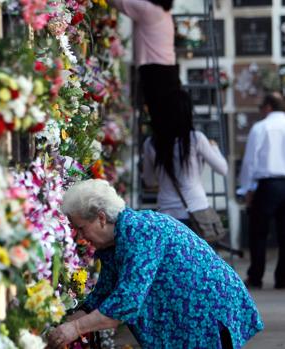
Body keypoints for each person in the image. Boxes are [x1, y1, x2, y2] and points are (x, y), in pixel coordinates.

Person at [47, 179, 263, 348]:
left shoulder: (141, 231)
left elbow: (127, 302)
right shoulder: (115, 242)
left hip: (207, 311)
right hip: (188, 316)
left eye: (81, 228)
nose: (80, 238)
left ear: (101, 218)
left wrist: (75, 328)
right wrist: (66, 326)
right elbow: (105, 293)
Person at [142, 89, 228, 226]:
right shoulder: (195, 138)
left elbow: (150, 181)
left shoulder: (150, 144)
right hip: (196, 210)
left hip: (167, 214)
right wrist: (214, 148)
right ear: (187, 112)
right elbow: (222, 169)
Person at [237, 92, 285, 289]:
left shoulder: (261, 127)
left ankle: (256, 276)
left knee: (258, 233)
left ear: (268, 107)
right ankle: (283, 278)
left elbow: (250, 161)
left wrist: (247, 189)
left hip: (267, 185)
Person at [108, 0, 181, 121]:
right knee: (166, 120)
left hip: (157, 72)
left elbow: (116, 2)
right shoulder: (163, 11)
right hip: (166, 71)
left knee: (162, 120)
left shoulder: (148, 9)